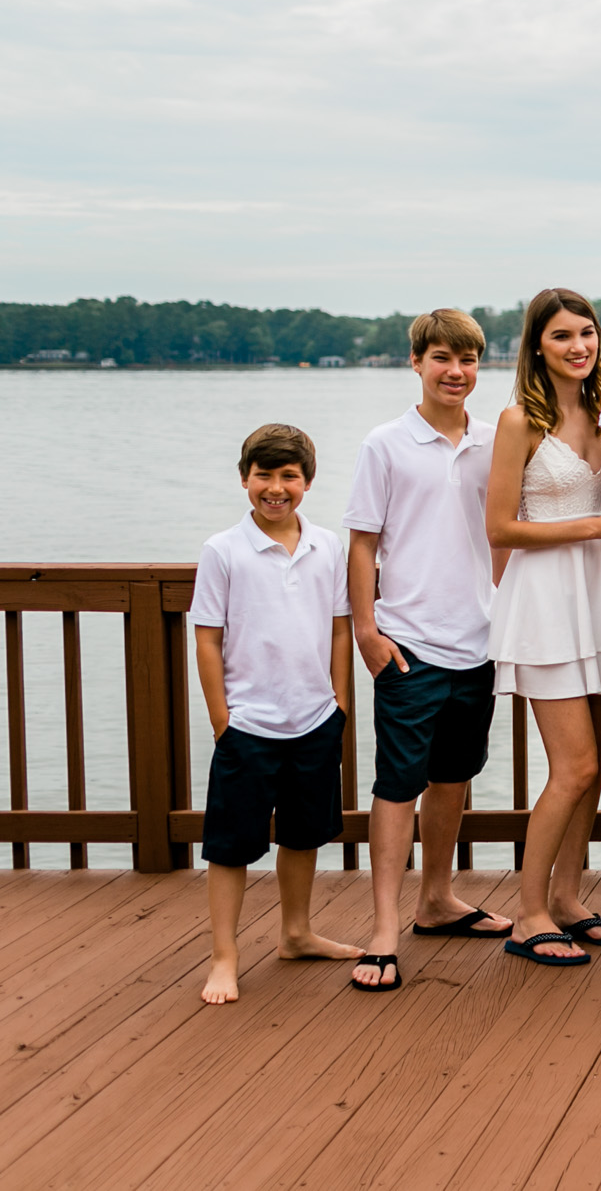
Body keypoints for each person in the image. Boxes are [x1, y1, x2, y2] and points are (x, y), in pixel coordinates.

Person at [344, 309, 509, 994]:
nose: (455, 371)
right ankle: (384, 926)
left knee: (453, 777)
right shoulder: (386, 444)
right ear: (415, 361)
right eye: (441, 357)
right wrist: (365, 630)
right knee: (397, 783)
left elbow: (506, 535)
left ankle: (436, 899)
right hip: (407, 642)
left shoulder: (497, 442)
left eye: (467, 359)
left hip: (479, 639)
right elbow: (361, 542)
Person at [486, 290, 601, 965]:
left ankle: (570, 899)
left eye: (587, 333)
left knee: (593, 762)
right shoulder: (520, 420)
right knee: (573, 765)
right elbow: (499, 527)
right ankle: (528, 912)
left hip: (598, 597)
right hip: (545, 602)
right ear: (537, 346)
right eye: (561, 336)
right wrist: (598, 524)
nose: (579, 346)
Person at [193, 423, 363, 1004]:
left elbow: (341, 628)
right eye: (263, 475)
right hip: (247, 725)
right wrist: (222, 718)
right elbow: (208, 639)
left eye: (288, 476)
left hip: (314, 718)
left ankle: (296, 932)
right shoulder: (223, 550)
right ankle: (225, 956)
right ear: (245, 479)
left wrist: (339, 701)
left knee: (303, 833)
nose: (275, 488)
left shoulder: (328, 547)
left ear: (307, 483)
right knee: (230, 845)